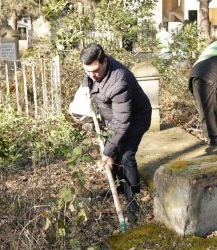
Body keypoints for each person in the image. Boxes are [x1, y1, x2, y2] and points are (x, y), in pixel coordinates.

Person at [80, 43, 152, 223]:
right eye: (88, 71)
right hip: (112, 118)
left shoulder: (120, 81)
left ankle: (134, 205)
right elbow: (89, 78)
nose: (92, 75)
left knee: (125, 157)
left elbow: (122, 123)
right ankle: (119, 188)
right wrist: (86, 86)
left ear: (105, 61)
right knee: (114, 155)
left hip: (134, 120)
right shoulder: (94, 69)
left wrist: (107, 151)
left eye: (95, 71)